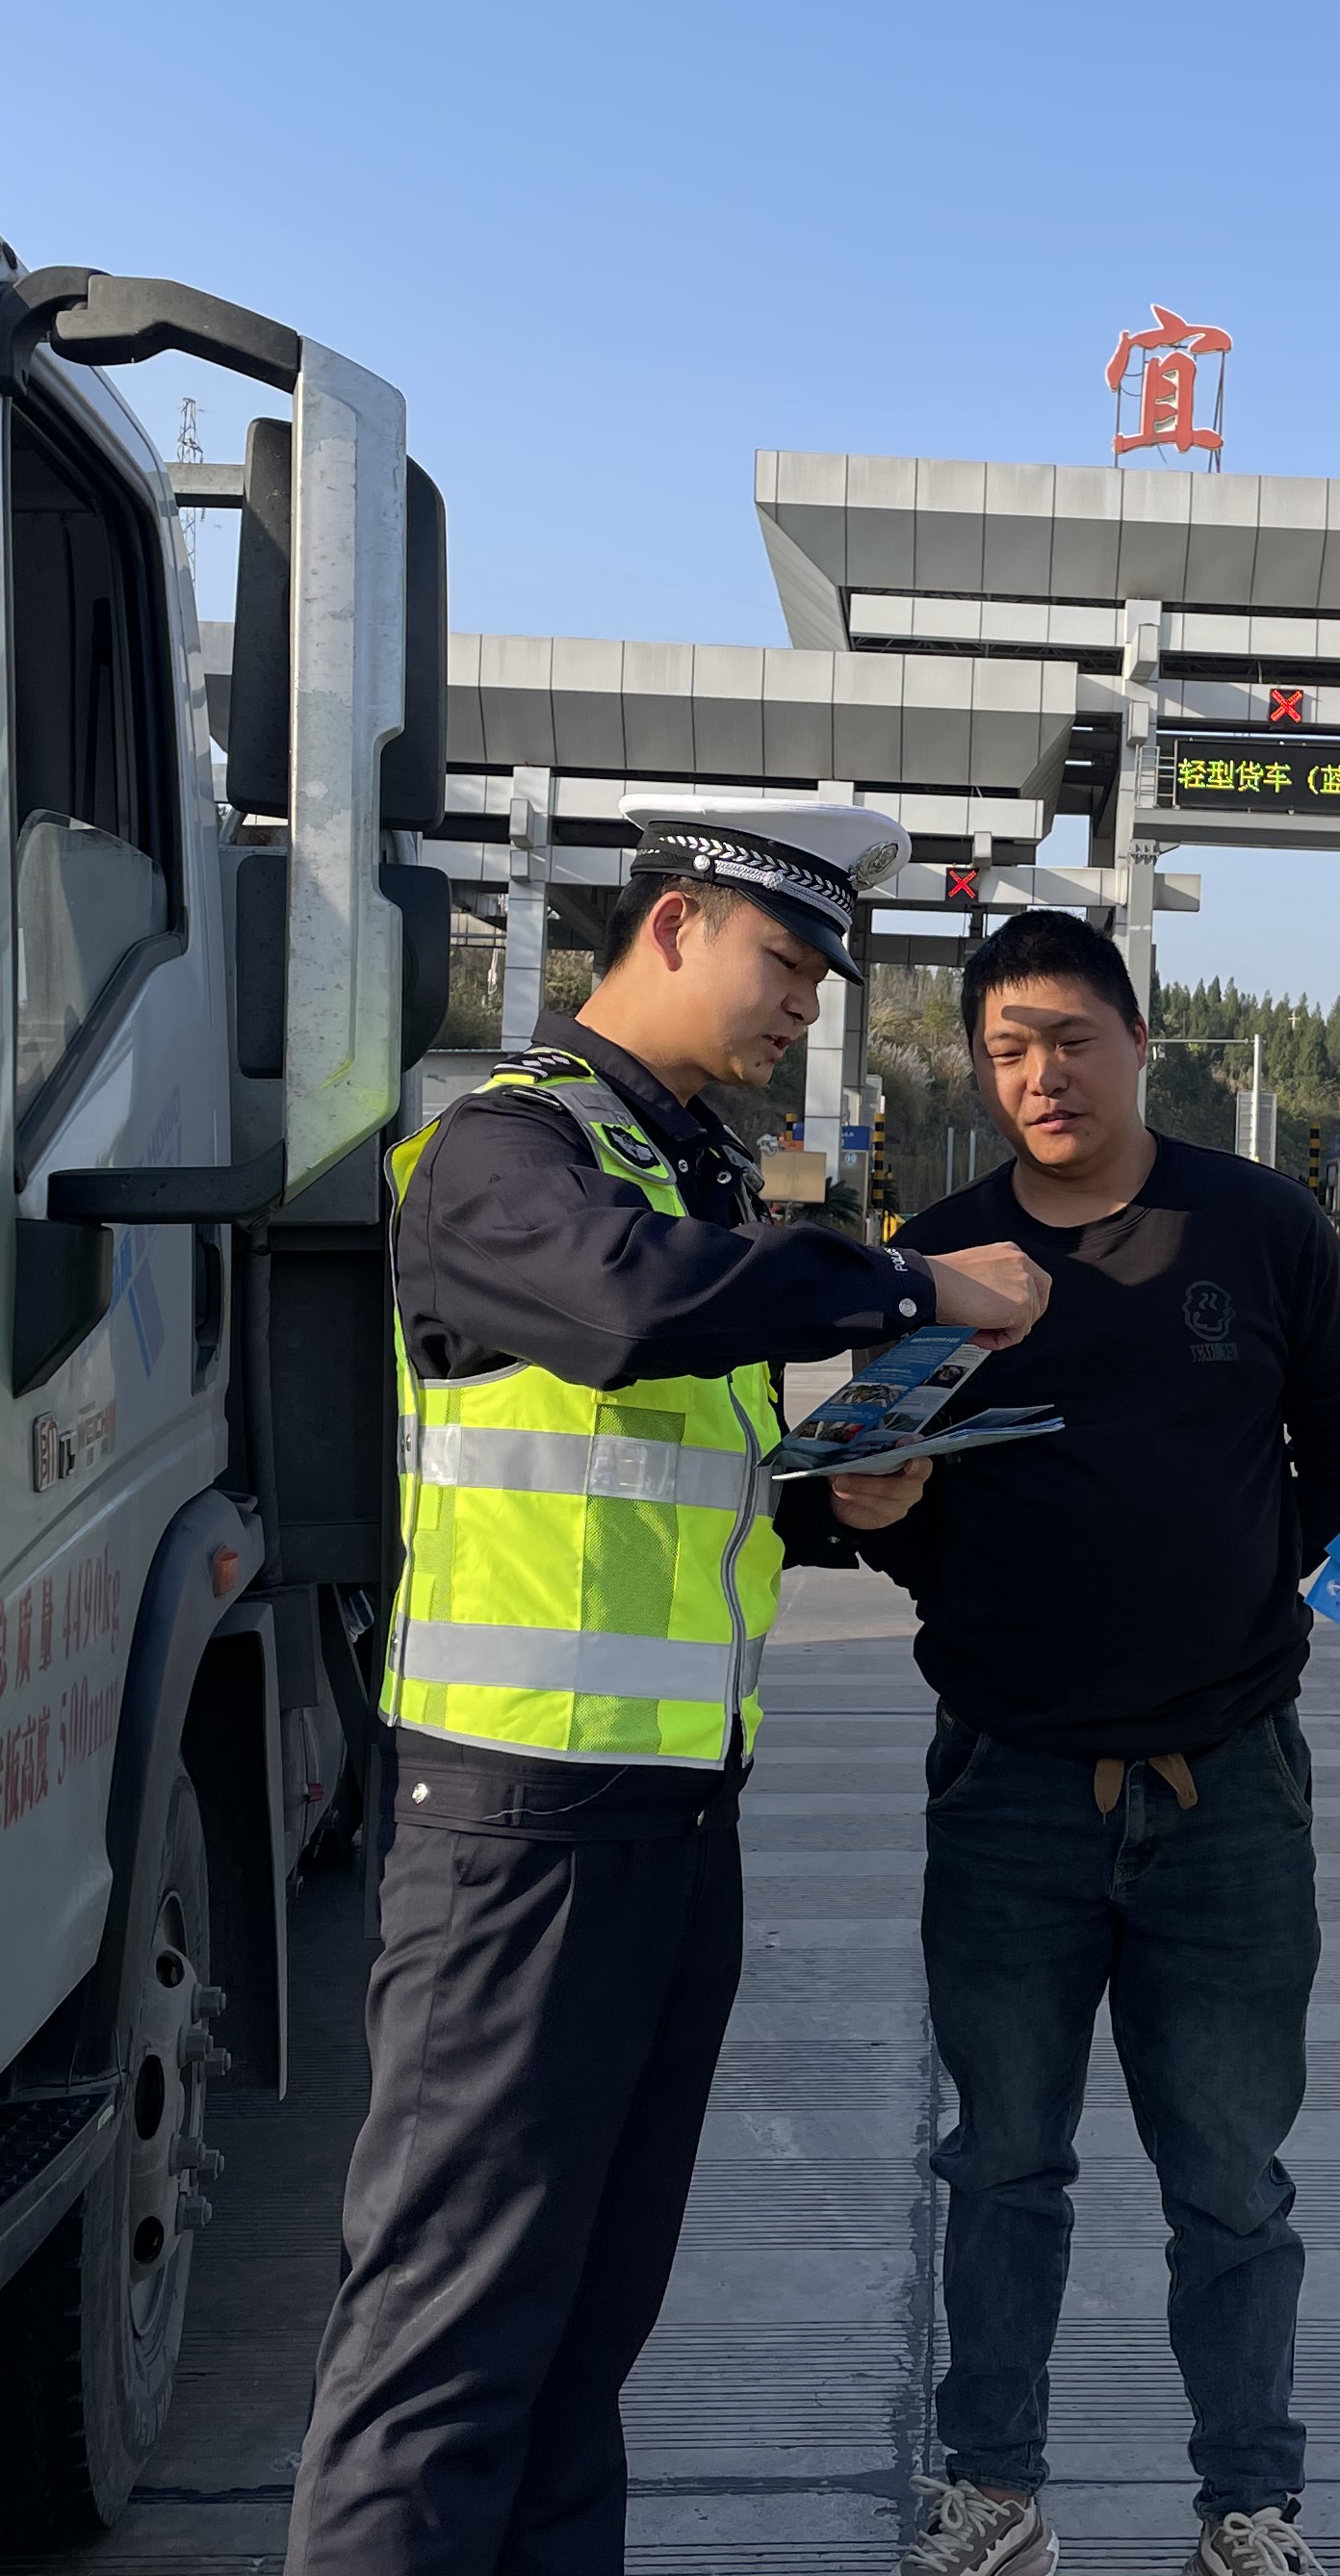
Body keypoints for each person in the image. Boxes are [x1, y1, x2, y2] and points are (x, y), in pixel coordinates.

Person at [288, 802, 1053, 2576]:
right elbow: (628, 1310)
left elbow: (660, 1474)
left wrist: (831, 1495)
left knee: (579, 2337)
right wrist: (912, 1281)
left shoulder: (679, 1164)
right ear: (678, 922)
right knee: (447, 2344)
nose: (805, 1003)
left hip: (666, 1821)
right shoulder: (502, 1150)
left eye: (822, 977)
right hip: (514, 1828)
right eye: (786, 961)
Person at [844, 911, 1340, 2576]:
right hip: (1008, 1782)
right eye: (1007, 1051)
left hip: (1228, 1784)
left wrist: (1241, 1576)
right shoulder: (939, 1256)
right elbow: (887, 1494)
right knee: (1001, 2164)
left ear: (1139, 1041)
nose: (1042, 1077)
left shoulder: (1259, 1225)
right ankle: (996, 2494)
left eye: (1071, 1039)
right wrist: (884, 1518)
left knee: (1232, 2181)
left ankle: (1250, 2510)